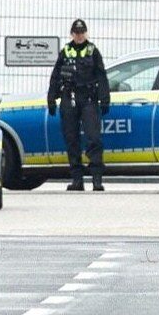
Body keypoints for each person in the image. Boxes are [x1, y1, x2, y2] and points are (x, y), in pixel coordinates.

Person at [47, 19, 110, 191]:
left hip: (88, 98)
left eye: (82, 32)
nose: (79, 35)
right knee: (71, 139)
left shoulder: (92, 51)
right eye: (76, 33)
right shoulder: (65, 51)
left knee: (94, 138)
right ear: (72, 34)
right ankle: (77, 180)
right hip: (69, 98)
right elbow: (55, 77)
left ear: (86, 33)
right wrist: (51, 99)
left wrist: (105, 99)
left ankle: (97, 179)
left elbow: (102, 76)